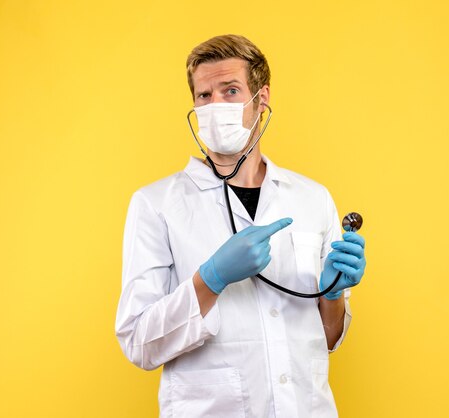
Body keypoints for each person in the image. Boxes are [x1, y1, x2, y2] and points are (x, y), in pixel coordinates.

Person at [115, 34, 367, 418]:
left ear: (261, 98)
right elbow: (139, 343)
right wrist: (210, 279)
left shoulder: (312, 198)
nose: (215, 105)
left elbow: (328, 338)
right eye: (204, 96)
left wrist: (332, 295)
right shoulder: (156, 204)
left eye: (230, 90)